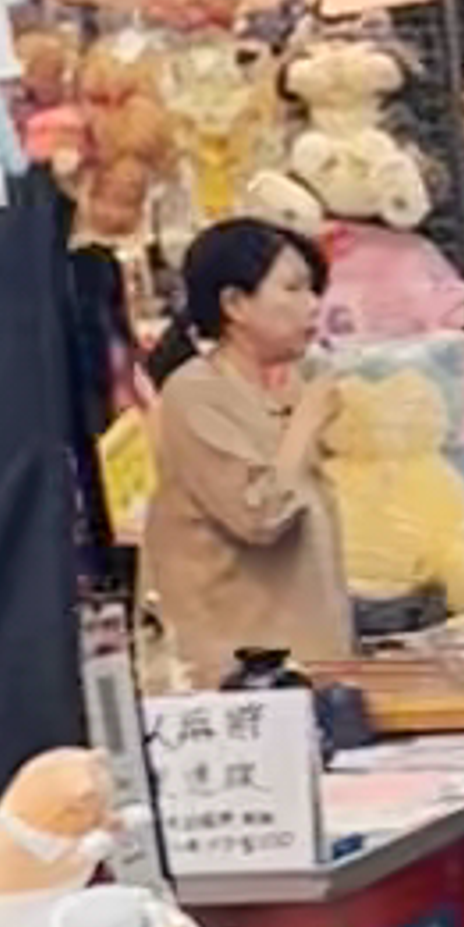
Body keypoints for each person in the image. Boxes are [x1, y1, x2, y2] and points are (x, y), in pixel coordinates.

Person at [138, 217, 353, 686]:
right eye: (293, 289)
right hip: (234, 685)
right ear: (235, 304)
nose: (312, 305)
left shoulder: (282, 393)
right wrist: (307, 422)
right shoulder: (194, 394)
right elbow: (261, 515)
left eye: (313, 289)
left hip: (308, 672)